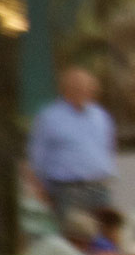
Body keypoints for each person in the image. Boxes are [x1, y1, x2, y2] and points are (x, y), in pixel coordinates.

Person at [27, 68, 116, 222]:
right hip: (66, 191)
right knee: (72, 234)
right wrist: (41, 189)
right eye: (78, 87)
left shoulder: (101, 116)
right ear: (65, 89)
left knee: (102, 235)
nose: (85, 90)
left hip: (99, 189)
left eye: (88, 86)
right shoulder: (49, 117)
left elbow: (108, 149)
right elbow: (37, 157)